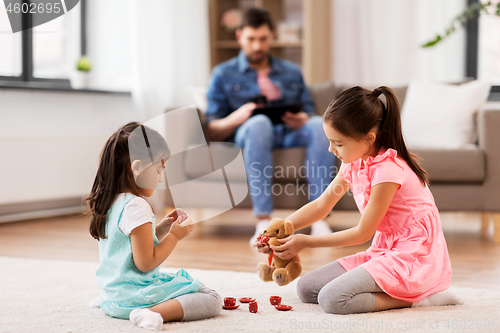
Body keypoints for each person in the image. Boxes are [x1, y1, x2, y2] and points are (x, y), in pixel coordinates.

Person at [255, 86, 463, 314]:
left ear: (369, 138)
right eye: (330, 141)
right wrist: (276, 233)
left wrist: (306, 242)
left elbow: (363, 233)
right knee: (307, 288)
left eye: (339, 143)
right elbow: (321, 205)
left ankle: (423, 298)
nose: (330, 149)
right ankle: (396, 289)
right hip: (385, 249)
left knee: (333, 299)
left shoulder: (388, 171)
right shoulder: (354, 162)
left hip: (414, 255)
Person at [206, 8, 337, 243]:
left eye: (263, 39)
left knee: (319, 125)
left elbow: (308, 109)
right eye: (251, 39)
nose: (257, 46)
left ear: (272, 36)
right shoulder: (222, 74)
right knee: (259, 123)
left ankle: (319, 218)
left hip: (287, 132)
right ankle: (263, 221)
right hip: (251, 131)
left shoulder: (291, 71)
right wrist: (237, 117)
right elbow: (212, 128)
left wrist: (304, 118)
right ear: (239, 37)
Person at [86, 122, 222, 331]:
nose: (160, 179)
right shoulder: (136, 205)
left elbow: (127, 247)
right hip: (133, 298)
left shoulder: (111, 201)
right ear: (137, 167)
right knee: (210, 298)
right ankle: (150, 313)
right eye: (159, 170)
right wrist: (174, 237)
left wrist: (160, 229)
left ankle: (110, 302)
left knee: (184, 284)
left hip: (113, 295)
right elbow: (146, 263)